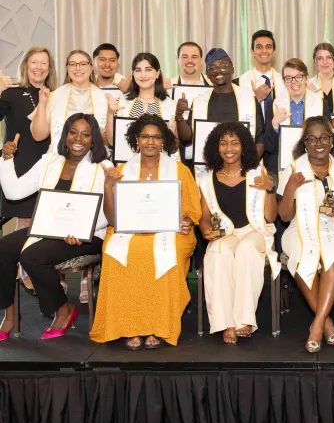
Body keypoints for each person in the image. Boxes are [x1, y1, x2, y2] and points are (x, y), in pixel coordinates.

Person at [91, 114, 201, 349]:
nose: (150, 142)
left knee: (161, 255)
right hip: (130, 231)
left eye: (156, 137)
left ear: (164, 141)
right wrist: (108, 186)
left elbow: (193, 209)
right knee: (116, 254)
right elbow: (112, 218)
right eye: (145, 137)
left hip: (170, 232)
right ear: (136, 140)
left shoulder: (180, 170)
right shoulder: (120, 171)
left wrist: (187, 221)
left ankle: (158, 325)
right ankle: (130, 326)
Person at [0, 113, 111, 341]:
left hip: (86, 235)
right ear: (65, 135)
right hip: (48, 229)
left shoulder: (103, 167)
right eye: (73, 132)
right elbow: (14, 192)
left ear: (93, 140)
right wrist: (6, 160)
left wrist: (82, 231)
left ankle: (64, 309)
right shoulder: (50, 161)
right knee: (4, 247)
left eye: (85, 134)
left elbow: (107, 214)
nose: (78, 139)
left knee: (32, 256)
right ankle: (10, 314)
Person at [278, 117, 334, 352]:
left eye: (324, 137)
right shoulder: (291, 170)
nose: (318, 143)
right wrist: (291, 186)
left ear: (332, 140)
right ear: (305, 143)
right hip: (299, 227)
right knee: (301, 253)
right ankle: (327, 323)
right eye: (312, 139)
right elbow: (284, 216)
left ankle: (317, 325)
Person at [198, 122, 279, 344]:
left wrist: (269, 189)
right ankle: (227, 323)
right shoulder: (207, 178)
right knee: (218, 253)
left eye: (235, 143)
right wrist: (205, 229)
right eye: (223, 143)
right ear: (216, 148)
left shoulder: (258, 173)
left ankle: (245, 320)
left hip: (255, 230)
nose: (229, 148)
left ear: (244, 147)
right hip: (226, 232)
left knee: (246, 250)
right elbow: (204, 217)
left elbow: (271, 217)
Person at [0, 47, 56, 296]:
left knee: (46, 219)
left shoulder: (55, 94)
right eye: (35, 62)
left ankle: (38, 266)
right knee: (25, 220)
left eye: (44, 63)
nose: (39, 67)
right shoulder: (11, 94)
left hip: (48, 163)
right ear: (26, 65)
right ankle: (21, 270)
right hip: (20, 162)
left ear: (49, 67)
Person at [104, 52, 190, 148]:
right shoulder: (120, 102)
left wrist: (171, 133)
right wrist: (110, 113)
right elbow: (112, 142)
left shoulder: (171, 105)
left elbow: (175, 146)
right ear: (132, 74)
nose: (143, 75)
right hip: (128, 161)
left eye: (148, 70)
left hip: (161, 161)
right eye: (138, 70)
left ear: (157, 73)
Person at [191, 48, 265, 158]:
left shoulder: (249, 101)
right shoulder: (199, 102)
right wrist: (179, 117)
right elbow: (188, 139)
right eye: (212, 68)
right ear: (207, 73)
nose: (218, 71)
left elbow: (260, 139)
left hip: (242, 169)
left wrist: (248, 164)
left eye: (223, 66)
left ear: (232, 69)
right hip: (209, 168)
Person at [31, 49, 109, 150]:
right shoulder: (54, 96)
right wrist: (42, 104)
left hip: (93, 158)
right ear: (67, 68)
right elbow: (38, 136)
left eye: (83, 64)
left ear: (91, 68)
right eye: (72, 64)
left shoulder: (104, 98)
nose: (78, 68)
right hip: (59, 158)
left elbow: (109, 141)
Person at [263, 58, 324, 173]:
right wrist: (274, 124)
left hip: (312, 164)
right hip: (280, 166)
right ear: (284, 81)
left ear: (306, 78)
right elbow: (268, 147)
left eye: (298, 77)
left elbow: (327, 141)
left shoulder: (320, 104)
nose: (293, 82)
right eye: (288, 78)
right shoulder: (274, 104)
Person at [237, 30, 285, 122]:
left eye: (268, 47)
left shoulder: (284, 81)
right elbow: (238, 113)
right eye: (259, 47)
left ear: (274, 52)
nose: (264, 51)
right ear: (252, 52)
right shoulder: (239, 82)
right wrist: (256, 100)